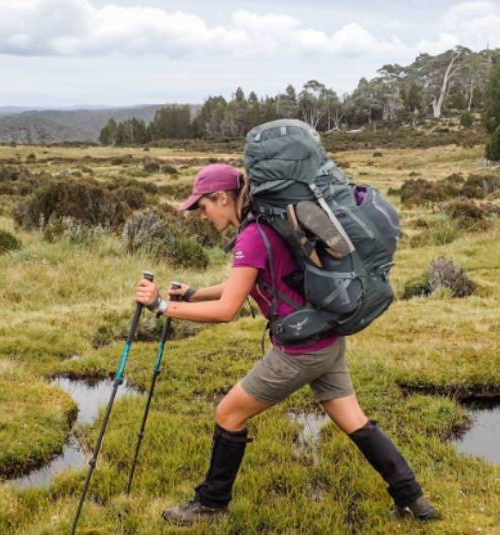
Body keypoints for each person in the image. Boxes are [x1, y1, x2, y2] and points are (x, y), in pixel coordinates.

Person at [133, 163, 438, 527]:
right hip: (327, 337)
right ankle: (414, 499)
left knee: (229, 414)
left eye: (203, 207)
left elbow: (228, 308)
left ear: (221, 197)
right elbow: (243, 285)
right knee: (355, 421)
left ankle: (210, 506)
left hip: (301, 351)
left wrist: (162, 306)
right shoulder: (269, 224)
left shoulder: (252, 235)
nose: (201, 216)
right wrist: (195, 294)